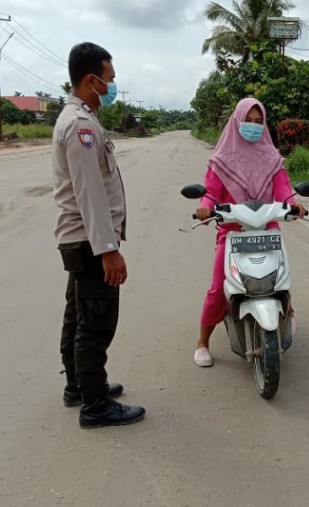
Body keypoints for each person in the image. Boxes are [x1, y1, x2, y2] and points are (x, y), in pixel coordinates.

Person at [52, 42, 145, 428]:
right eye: (109, 79)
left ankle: (79, 386)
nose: (112, 86)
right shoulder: (82, 127)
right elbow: (91, 193)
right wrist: (109, 250)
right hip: (90, 243)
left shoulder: (78, 118)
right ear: (91, 80)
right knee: (96, 323)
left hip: (79, 240)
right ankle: (96, 405)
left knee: (78, 315)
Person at [193, 98, 305, 367]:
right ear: (236, 122)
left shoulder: (272, 158)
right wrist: (205, 208)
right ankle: (202, 342)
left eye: (259, 122)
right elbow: (210, 192)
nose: (253, 127)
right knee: (218, 288)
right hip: (233, 230)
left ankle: (286, 309)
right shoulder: (222, 160)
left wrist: (294, 204)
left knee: (280, 278)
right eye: (248, 121)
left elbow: (283, 188)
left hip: (267, 228)